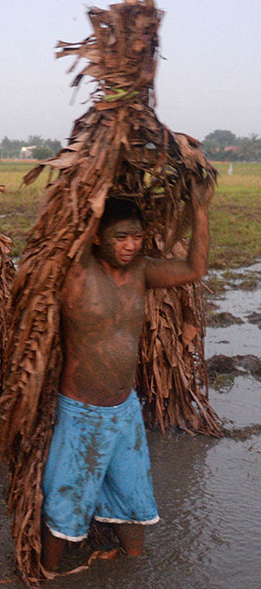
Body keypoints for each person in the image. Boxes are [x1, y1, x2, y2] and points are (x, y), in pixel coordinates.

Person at [41, 183, 212, 571]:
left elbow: (194, 269)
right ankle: (48, 572)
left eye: (137, 236)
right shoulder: (76, 271)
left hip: (124, 410)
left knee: (132, 493)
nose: (131, 245)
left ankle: (134, 563)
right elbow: (60, 242)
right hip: (81, 413)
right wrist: (92, 203)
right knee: (66, 499)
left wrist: (199, 209)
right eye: (121, 236)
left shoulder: (142, 271)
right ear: (98, 236)